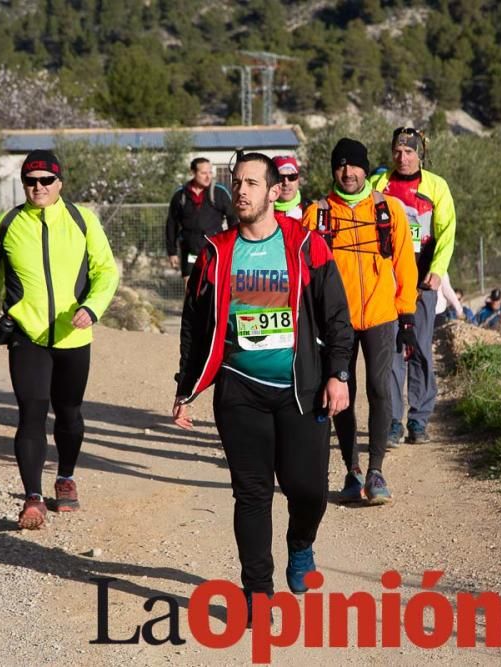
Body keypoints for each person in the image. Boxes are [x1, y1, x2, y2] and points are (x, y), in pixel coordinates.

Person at [172, 152, 353, 617]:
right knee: (251, 493)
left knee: (308, 489)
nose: (242, 191)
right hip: (240, 389)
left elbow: (337, 318)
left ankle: (300, 543)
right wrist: (185, 387)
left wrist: (339, 374)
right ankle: (257, 592)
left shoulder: (306, 245)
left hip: (301, 389)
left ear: (275, 191)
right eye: (237, 183)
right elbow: (194, 325)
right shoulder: (217, 251)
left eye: (252, 183)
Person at [0, 150, 120, 529]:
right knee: (31, 415)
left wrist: (93, 308)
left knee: (69, 414)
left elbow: (105, 271)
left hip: (73, 334)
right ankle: (32, 498)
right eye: (30, 181)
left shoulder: (83, 221)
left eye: (46, 180)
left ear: (60, 183)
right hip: (26, 335)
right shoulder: (7, 223)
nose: (38, 187)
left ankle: (65, 477)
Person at [303, 138, 418, 505]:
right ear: (333, 170)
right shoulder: (317, 215)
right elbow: (306, 274)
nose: (348, 172)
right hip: (336, 323)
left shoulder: (390, 210)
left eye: (354, 165)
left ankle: (377, 470)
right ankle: (352, 470)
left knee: (381, 389)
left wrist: (407, 314)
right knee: (343, 395)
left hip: (382, 316)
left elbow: (404, 264)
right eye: (340, 166)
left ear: (366, 168)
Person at [369, 127, 457, 446]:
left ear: (419, 154)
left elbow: (447, 232)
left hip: (423, 280)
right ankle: (392, 419)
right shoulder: (378, 186)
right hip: (388, 281)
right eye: (397, 151)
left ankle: (418, 419)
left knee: (419, 347)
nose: (402, 158)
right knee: (391, 350)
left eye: (408, 152)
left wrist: (437, 270)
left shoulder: (436, 186)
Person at [164, 157, 235, 283]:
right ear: (193, 173)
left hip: (214, 249)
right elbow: (172, 224)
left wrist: (233, 244)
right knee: (190, 285)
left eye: (210, 172)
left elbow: (233, 218)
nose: (208, 177)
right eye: (203, 173)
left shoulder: (219, 193)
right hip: (190, 250)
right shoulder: (181, 195)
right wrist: (172, 252)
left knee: (213, 285)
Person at [271, 155, 308, 225]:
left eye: (292, 177)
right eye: (280, 178)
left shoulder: (310, 210)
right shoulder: (262, 212)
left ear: (298, 179)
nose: (286, 183)